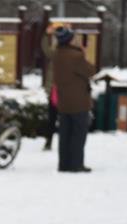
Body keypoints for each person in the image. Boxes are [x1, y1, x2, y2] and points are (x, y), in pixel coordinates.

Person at [52, 26, 97, 172]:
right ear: (69, 39)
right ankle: (76, 164)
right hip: (79, 102)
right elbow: (91, 71)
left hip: (63, 101)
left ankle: (64, 164)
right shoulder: (76, 56)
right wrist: (83, 53)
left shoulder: (57, 54)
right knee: (78, 134)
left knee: (65, 134)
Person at [40, 23, 64, 151]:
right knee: (55, 117)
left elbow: (46, 49)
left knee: (53, 117)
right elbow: (46, 49)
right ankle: (50, 141)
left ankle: (50, 141)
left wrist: (46, 34)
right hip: (57, 91)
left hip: (59, 90)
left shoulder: (58, 53)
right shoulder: (57, 52)